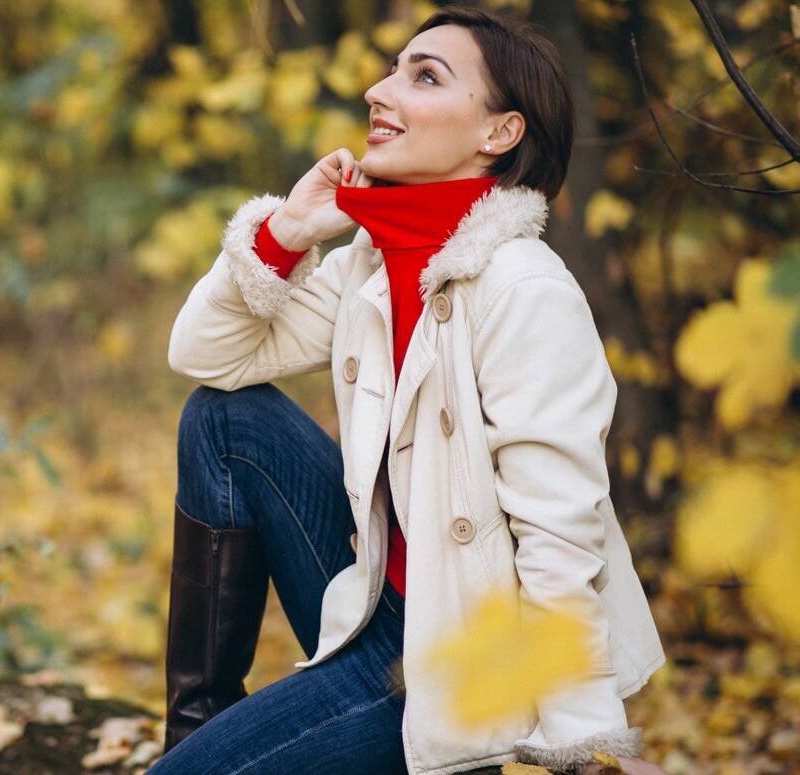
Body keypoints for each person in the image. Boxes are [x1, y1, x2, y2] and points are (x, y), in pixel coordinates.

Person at [154, 7, 670, 775]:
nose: (377, 90)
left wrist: (578, 749)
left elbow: (562, 544)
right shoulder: (375, 258)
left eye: (423, 76)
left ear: (499, 133)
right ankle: (199, 735)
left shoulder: (524, 291)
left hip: (452, 664)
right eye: (392, 69)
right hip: (378, 602)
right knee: (225, 422)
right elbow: (205, 355)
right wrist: (289, 230)